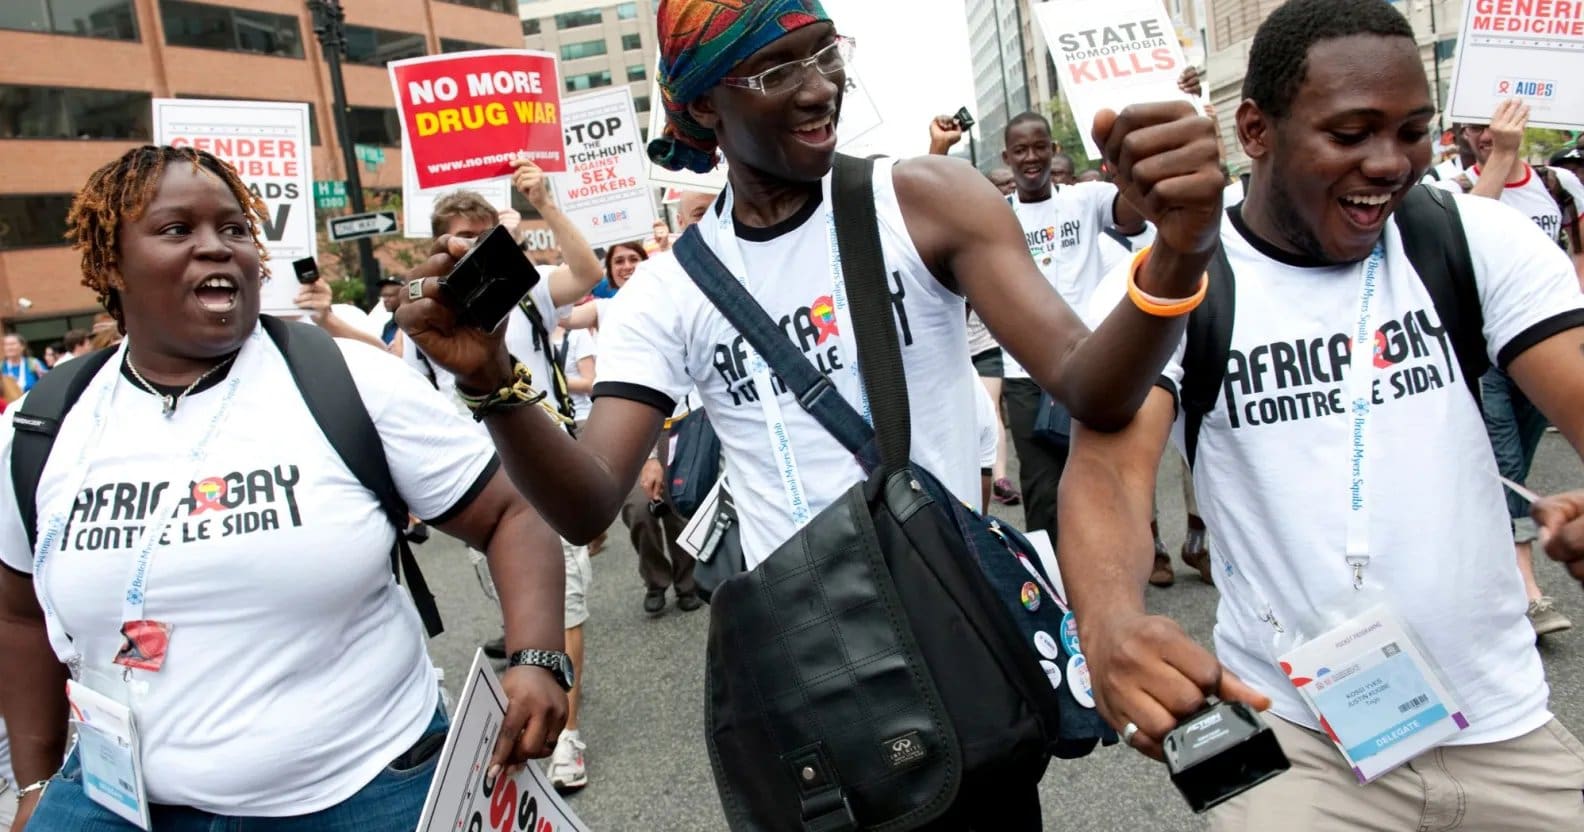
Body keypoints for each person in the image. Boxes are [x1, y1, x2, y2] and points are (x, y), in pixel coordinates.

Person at [395, 0, 1222, 823]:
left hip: (949, 635)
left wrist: (1179, 253)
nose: (820, 86)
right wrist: (493, 382)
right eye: (777, 70)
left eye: (826, 54)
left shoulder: (925, 199)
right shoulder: (664, 292)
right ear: (707, 104)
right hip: (808, 666)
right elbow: (585, 503)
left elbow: (1089, 388)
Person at [1060, 2, 1584, 829]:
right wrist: (1111, 622)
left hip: (1502, 729)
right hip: (1299, 742)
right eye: (1350, 133)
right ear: (1257, 130)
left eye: (1413, 130)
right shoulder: (1177, 282)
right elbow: (1109, 471)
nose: (1389, 162)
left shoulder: (1474, 241)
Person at [0, 144, 570, 831]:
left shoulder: (349, 380)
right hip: (117, 803)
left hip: (362, 793)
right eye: (178, 230)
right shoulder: (42, 425)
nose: (217, 247)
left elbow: (511, 511)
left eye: (235, 228)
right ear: (111, 263)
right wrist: (34, 781)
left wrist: (538, 656)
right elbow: (19, 613)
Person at [1433, 100, 1584, 638]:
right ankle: (1527, 591)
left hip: (1544, 343)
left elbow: (1576, 249)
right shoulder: (1451, 189)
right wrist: (1503, 157)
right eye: (1476, 127)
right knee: (1505, 461)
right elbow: (1469, 236)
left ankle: (1482, 567)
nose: (1486, 134)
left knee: (1516, 462)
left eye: (1493, 123)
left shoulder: (1559, 184)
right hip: (1485, 354)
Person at [993, 110, 1150, 541]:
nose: (1031, 158)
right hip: (1026, 374)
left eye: (1039, 146)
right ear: (1007, 156)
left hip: (1088, 367)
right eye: (1020, 150)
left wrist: (1122, 162)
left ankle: (1110, 582)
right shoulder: (994, 216)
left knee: (1099, 478)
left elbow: (1133, 214)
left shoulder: (1086, 199)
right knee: (1043, 492)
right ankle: (1055, 591)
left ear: (1053, 149)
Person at [377, 276, 404, 348]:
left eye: (390, 295)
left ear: (402, 296)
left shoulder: (413, 323)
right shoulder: (388, 326)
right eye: (383, 296)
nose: (385, 300)